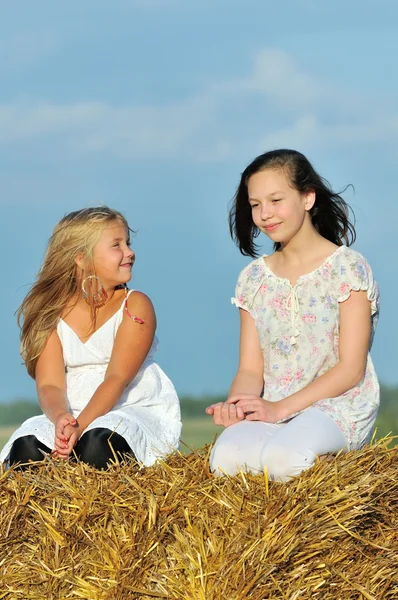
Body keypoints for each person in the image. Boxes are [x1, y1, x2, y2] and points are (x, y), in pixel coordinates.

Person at [206, 149, 380, 482]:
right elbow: (250, 368)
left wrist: (279, 409)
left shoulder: (348, 268)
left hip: (337, 403)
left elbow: (350, 369)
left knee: (284, 460)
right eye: (255, 205)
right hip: (272, 406)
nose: (264, 214)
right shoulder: (253, 278)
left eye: (275, 200)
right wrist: (239, 403)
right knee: (227, 461)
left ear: (307, 197)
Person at [0, 207, 181, 469]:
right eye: (116, 245)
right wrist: (62, 418)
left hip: (126, 406)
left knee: (98, 444)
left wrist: (82, 425)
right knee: (27, 447)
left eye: (127, 243)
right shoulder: (51, 312)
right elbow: (50, 385)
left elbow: (117, 378)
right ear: (81, 258)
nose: (129, 252)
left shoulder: (135, 305)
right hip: (70, 409)